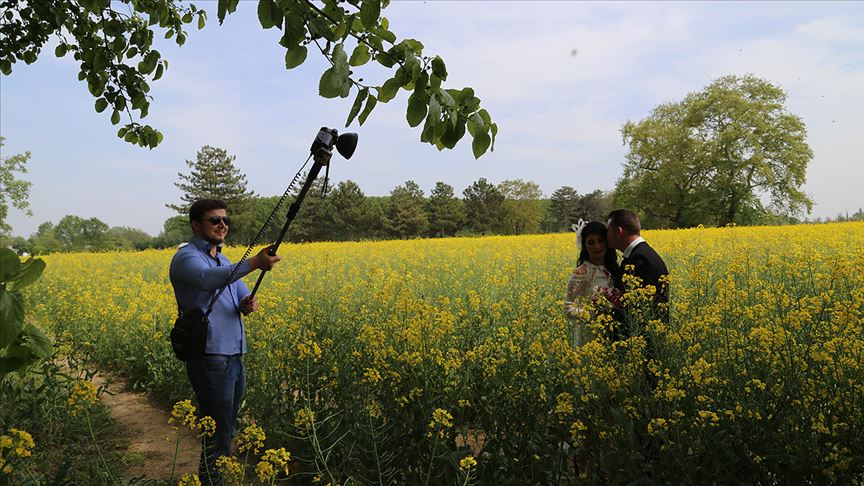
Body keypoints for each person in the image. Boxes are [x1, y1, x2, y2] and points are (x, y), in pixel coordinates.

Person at [169, 199, 281, 484]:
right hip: (210, 357)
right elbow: (206, 279)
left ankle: (214, 478)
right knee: (218, 432)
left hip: (233, 356)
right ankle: (212, 481)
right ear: (196, 225)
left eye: (226, 220)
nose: (223, 225)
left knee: (227, 429)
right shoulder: (186, 257)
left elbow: (241, 294)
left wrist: (247, 304)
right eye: (215, 220)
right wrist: (254, 262)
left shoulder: (223, 260)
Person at [564, 220, 620, 345]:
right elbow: (568, 308)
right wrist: (592, 314)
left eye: (600, 240)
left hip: (614, 335)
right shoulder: (581, 272)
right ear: (584, 246)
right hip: (589, 337)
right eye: (591, 242)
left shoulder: (614, 269)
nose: (597, 246)